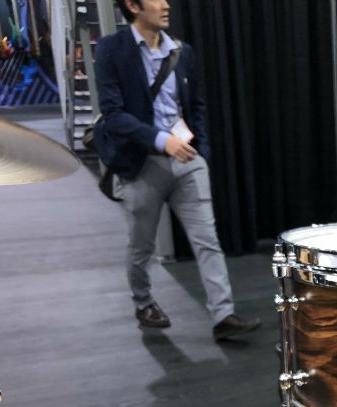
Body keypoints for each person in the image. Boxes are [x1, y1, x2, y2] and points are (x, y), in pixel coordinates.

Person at [94, 0, 259, 341]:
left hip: (187, 160)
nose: (166, 5)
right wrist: (161, 140)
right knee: (141, 245)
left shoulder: (182, 51)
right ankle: (143, 302)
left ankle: (223, 315)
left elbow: (195, 105)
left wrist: (202, 154)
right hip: (141, 163)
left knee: (208, 240)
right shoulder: (112, 49)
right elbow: (113, 114)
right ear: (133, 5)